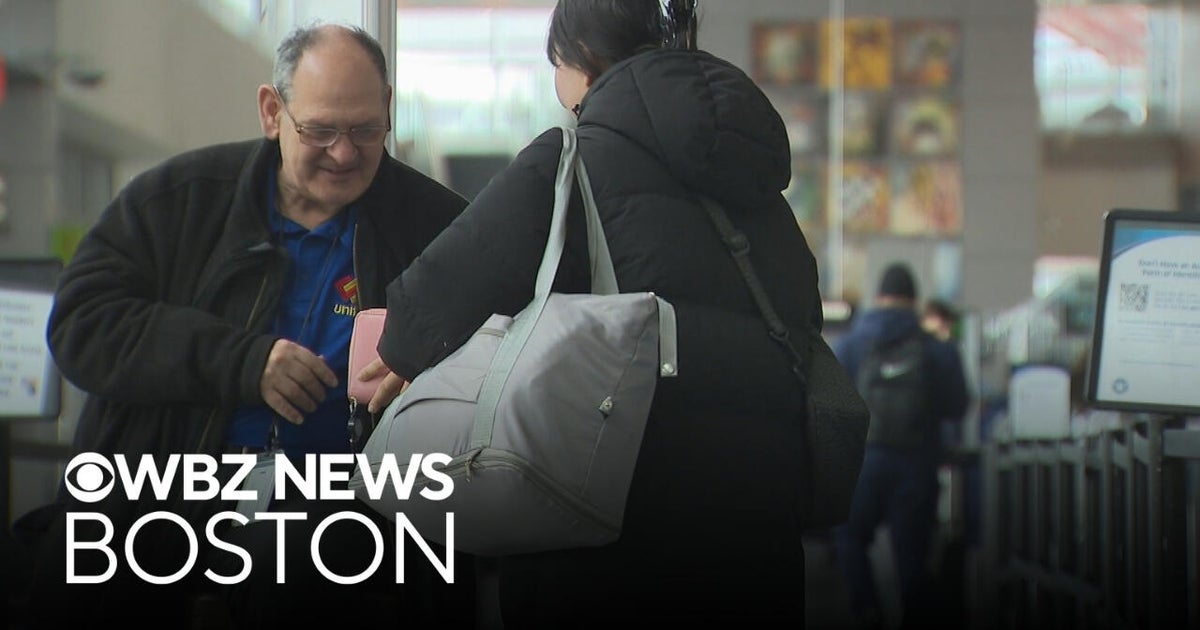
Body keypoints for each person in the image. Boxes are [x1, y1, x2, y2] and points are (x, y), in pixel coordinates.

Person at [357, 0, 823, 625]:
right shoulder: (766, 199)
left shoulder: (569, 160)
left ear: (580, 62)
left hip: (612, 528)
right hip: (758, 530)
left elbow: (442, 287)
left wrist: (401, 353)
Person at [16, 23, 470, 628]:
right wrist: (240, 362)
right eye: (320, 131)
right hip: (171, 484)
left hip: (344, 502)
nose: (344, 152)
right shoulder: (179, 201)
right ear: (271, 112)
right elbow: (81, 323)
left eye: (364, 129)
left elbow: (492, 354)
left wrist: (433, 379)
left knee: (298, 563)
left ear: (388, 109)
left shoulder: (438, 228)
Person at [832, 262, 970, 630]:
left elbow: (831, 408)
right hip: (916, 465)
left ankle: (866, 610)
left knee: (849, 538)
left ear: (879, 297)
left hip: (862, 464)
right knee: (912, 556)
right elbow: (958, 405)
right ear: (914, 301)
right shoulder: (936, 350)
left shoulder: (848, 345)